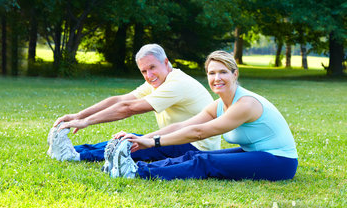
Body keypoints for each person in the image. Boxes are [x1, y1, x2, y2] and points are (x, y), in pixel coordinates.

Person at [117, 50, 298, 181]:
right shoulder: (219, 105)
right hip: (256, 153)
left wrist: (153, 142)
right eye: (212, 73)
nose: (217, 78)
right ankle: (135, 167)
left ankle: (136, 173)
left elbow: (199, 132)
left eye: (223, 72)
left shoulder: (246, 104)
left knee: (204, 161)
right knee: (191, 156)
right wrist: (140, 140)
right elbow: (183, 126)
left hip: (279, 161)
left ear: (235, 74)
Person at [50, 44, 220, 162]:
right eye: (144, 71)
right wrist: (79, 115)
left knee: (131, 144)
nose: (149, 75)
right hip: (176, 139)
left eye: (152, 67)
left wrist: (86, 122)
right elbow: (121, 100)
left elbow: (128, 109)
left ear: (166, 63)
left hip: (196, 148)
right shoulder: (159, 80)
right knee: (129, 139)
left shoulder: (177, 84)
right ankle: (73, 150)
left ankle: (76, 156)